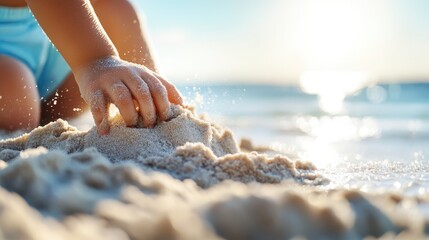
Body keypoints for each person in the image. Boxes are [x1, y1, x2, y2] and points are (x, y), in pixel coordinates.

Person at [0, 0, 183, 135]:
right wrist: (96, 59)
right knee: (15, 99)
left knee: (115, 9)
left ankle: (153, 103)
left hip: (65, 29)